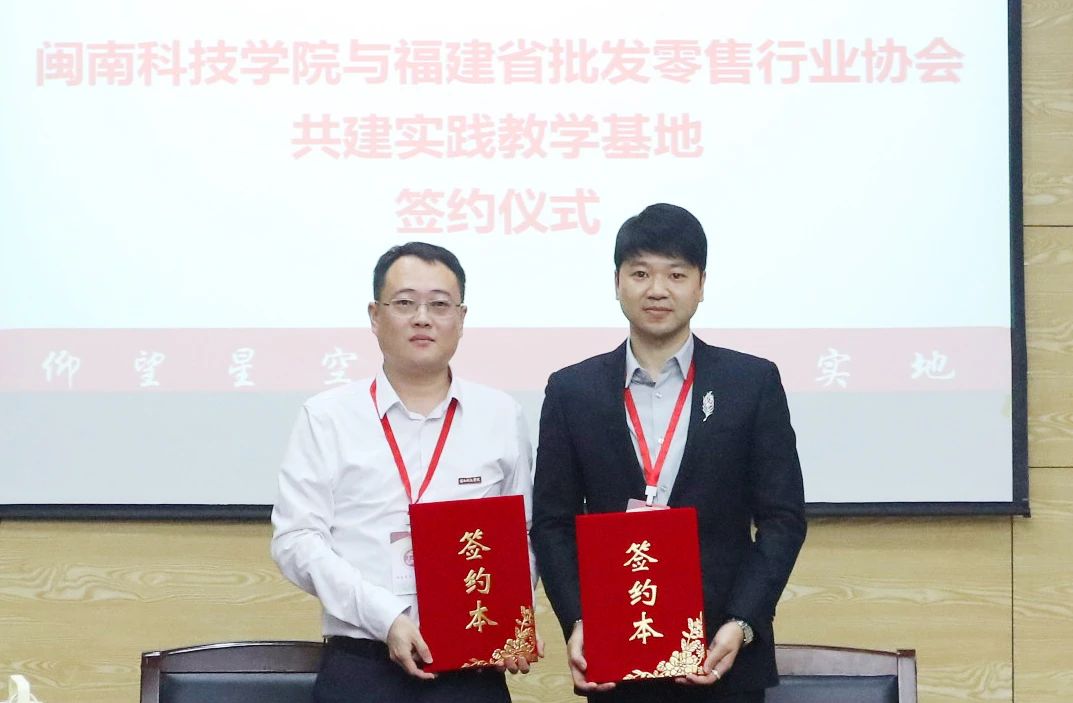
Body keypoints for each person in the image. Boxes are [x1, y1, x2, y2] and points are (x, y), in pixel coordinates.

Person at [531, 204, 806, 703]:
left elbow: (782, 519)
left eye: (676, 275)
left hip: (721, 655)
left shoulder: (752, 383)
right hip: (615, 657)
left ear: (701, 285)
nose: (657, 290)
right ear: (617, 282)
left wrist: (743, 622)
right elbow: (552, 523)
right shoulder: (572, 391)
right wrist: (578, 621)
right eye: (640, 273)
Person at [272, 242, 538, 703]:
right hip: (362, 663)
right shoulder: (328, 417)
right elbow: (296, 540)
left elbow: (525, 534)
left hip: (472, 667)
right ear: (375, 316)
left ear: (461, 318)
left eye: (440, 304)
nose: (422, 318)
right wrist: (386, 616)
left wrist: (510, 617)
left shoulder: (500, 415)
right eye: (404, 303)